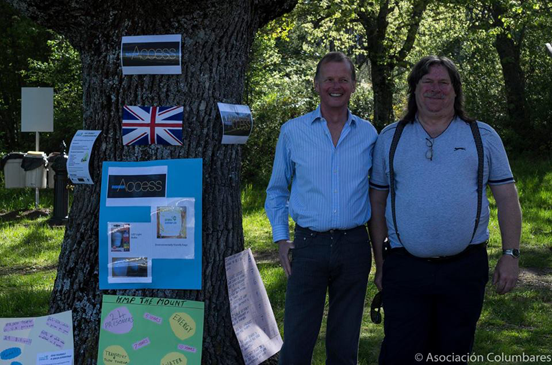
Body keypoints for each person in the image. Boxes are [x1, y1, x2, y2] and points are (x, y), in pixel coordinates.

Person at [368, 55, 522, 365]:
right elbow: (377, 202)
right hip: (405, 268)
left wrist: (511, 255)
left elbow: (507, 198)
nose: (435, 89)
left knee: (452, 353)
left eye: (443, 83)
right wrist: (381, 262)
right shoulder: (390, 137)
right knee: (400, 353)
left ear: (455, 91)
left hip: (464, 269)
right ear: (415, 89)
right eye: (428, 82)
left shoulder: (482, 136)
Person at [265, 52, 378, 364]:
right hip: (308, 245)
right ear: (316, 85)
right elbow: (276, 191)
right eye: (329, 79)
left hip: (355, 245)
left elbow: (379, 194)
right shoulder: (293, 131)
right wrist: (281, 239)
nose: (336, 85)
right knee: (297, 343)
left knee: (344, 346)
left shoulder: (368, 134)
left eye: (343, 79)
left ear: (354, 85)